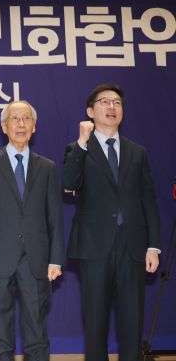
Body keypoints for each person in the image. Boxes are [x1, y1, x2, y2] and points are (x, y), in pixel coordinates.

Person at [63, 84, 161, 361]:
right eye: (104, 102)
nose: (111, 107)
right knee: (96, 324)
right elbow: (69, 183)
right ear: (90, 111)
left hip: (132, 247)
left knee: (132, 323)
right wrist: (82, 143)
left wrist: (153, 246)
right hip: (94, 247)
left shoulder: (137, 152)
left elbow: (148, 200)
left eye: (117, 102)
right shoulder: (77, 148)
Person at [0, 100, 64, 361]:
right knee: (0, 335)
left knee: (37, 333)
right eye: (15, 118)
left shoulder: (46, 167)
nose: (21, 124)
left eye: (26, 118)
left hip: (36, 260)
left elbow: (55, 216)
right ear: (4, 126)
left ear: (34, 127)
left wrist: (56, 259)